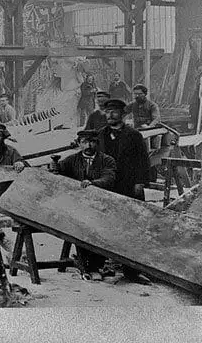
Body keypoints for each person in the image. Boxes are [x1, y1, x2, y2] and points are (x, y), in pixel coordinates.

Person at [98, 98, 152, 284]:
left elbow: (143, 160)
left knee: (132, 227)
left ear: (123, 114)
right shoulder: (100, 135)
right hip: (107, 187)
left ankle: (133, 271)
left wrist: (140, 182)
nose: (110, 115)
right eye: (107, 111)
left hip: (129, 186)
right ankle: (106, 266)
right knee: (105, 225)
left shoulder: (134, 135)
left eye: (114, 112)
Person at [53, 129, 117, 280]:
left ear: (97, 143)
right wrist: (55, 170)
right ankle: (87, 266)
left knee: (99, 228)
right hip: (78, 206)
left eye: (92, 142)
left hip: (100, 205)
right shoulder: (71, 160)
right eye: (84, 142)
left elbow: (109, 178)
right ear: (79, 143)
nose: (88, 145)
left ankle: (96, 265)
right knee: (79, 225)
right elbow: (59, 173)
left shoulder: (107, 160)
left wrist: (93, 183)